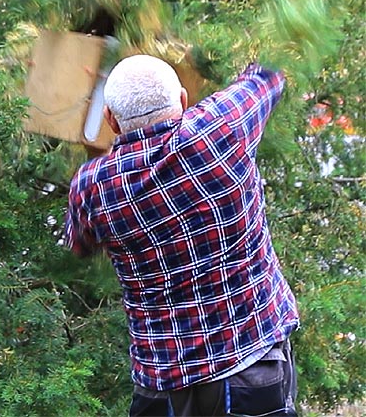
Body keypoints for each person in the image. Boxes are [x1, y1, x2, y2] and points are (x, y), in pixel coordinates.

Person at [65, 55, 300, 416]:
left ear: (111, 120)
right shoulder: (219, 129)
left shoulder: (91, 185)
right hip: (250, 365)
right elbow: (269, 73)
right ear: (183, 100)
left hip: (162, 386)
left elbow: (79, 246)